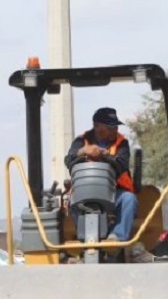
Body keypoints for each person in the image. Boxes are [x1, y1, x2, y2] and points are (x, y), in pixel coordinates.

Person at [65, 107, 152, 263]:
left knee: (129, 199)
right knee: (72, 201)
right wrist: (83, 151)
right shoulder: (81, 141)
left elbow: (122, 164)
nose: (115, 130)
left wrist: (104, 155)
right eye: (110, 126)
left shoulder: (121, 143)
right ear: (97, 126)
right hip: (84, 194)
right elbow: (69, 160)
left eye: (116, 126)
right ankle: (85, 241)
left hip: (114, 193)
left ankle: (115, 240)